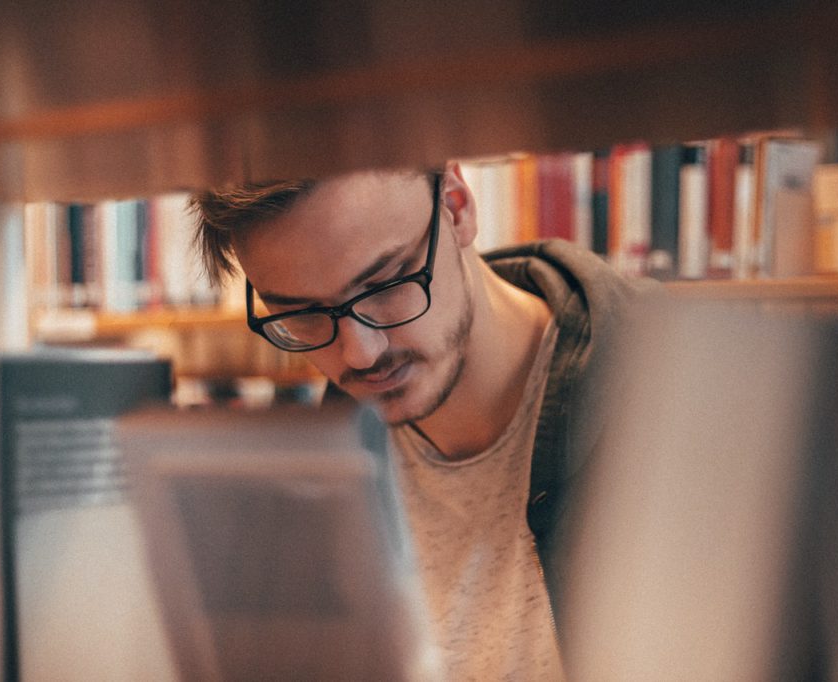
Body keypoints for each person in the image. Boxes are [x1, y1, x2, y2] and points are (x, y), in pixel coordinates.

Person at [192, 162, 646, 679]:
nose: (361, 354)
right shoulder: (322, 473)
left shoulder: (667, 400)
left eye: (384, 283)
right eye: (303, 314)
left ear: (456, 205)